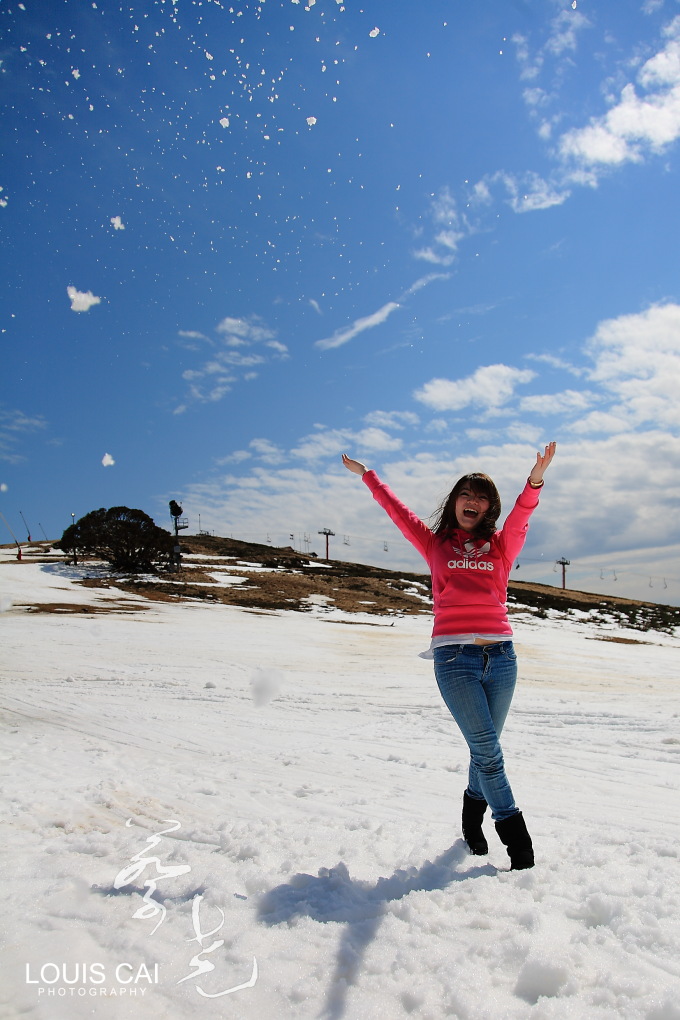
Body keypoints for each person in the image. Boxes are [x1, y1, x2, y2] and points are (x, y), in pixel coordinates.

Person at [341, 443, 556, 870]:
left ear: (489, 507)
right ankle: (519, 847)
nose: (472, 501)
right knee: (489, 753)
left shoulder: (501, 546)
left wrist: (535, 478)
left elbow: (523, 516)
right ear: (455, 501)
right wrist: (369, 475)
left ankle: (471, 820)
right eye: (465, 493)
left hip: (503, 657)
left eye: (481, 496)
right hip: (455, 660)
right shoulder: (436, 544)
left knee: (486, 749)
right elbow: (399, 513)